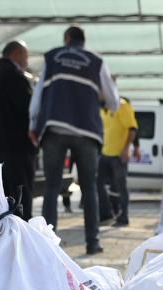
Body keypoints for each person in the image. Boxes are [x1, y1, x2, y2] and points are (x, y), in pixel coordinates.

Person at [29, 25, 118, 255]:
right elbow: (114, 101)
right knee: (89, 188)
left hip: (54, 128)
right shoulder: (96, 61)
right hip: (86, 131)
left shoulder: (52, 57)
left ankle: (48, 246)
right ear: (83, 41)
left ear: (67, 39)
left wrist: (33, 125)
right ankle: (93, 242)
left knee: (51, 187)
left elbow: (38, 93)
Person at [0, 41, 36, 219]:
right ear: (16, 53)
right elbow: (28, 109)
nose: (26, 62)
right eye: (25, 56)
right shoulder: (15, 76)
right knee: (20, 198)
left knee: (0, 201)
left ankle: (2, 239)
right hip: (17, 149)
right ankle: (22, 239)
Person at [98, 91, 138, 227]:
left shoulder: (122, 105)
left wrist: (127, 148)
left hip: (119, 154)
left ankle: (124, 216)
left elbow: (132, 129)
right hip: (104, 153)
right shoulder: (102, 108)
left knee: (121, 186)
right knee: (97, 183)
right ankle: (107, 214)